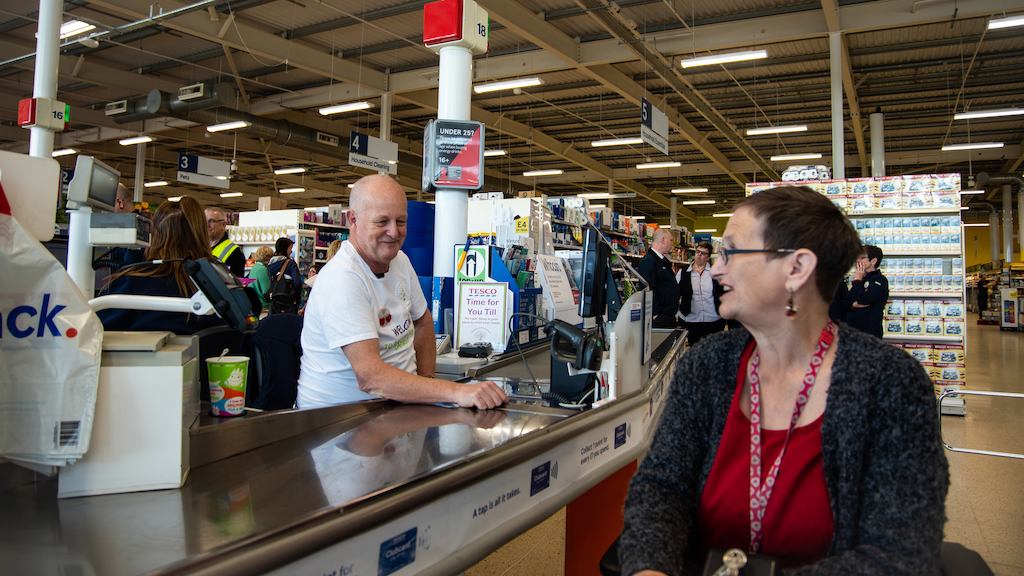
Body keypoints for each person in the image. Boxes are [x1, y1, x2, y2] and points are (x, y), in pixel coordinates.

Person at [620, 186, 947, 574]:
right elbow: (661, 487)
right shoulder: (706, 367)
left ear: (796, 268)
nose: (717, 267)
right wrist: (649, 567)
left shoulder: (891, 384)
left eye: (732, 252)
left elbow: (898, 551)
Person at [297, 174, 507, 410]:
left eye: (400, 221)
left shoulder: (400, 261)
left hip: (395, 410)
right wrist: (456, 392)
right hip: (339, 421)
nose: (394, 232)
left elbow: (423, 321)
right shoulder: (342, 279)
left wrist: (426, 384)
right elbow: (371, 377)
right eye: (382, 221)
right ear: (352, 219)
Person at [98, 197, 223, 334]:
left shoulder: (132, 283)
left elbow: (96, 329)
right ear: (201, 233)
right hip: (215, 354)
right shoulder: (218, 281)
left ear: (155, 233)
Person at [678, 241, 725, 346]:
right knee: (695, 352)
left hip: (713, 320)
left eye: (703, 253)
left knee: (713, 352)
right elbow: (675, 294)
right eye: (697, 252)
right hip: (692, 320)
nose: (699, 255)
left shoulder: (715, 272)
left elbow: (723, 293)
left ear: (708, 257)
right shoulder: (683, 272)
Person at [638, 228, 681, 328]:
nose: (672, 244)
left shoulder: (662, 260)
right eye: (670, 240)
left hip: (668, 315)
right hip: (659, 318)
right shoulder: (649, 261)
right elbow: (647, 288)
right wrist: (655, 314)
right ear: (662, 240)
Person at [844, 244, 889, 339]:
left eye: (862, 258)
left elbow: (864, 300)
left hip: (869, 336)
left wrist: (857, 281)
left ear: (873, 261)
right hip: (852, 334)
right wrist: (853, 304)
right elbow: (847, 302)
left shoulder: (880, 280)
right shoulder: (861, 279)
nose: (857, 260)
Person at [206, 206, 245, 277]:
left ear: (223, 224)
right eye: (204, 221)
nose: (207, 225)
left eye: (211, 221)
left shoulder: (235, 251)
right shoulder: (200, 247)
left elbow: (237, 283)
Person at [247, 245, 274, 313]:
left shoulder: (255, 267)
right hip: (263, 307)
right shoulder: (263, 270)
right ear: (267, 257)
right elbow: (266, 292)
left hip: (254, 304)